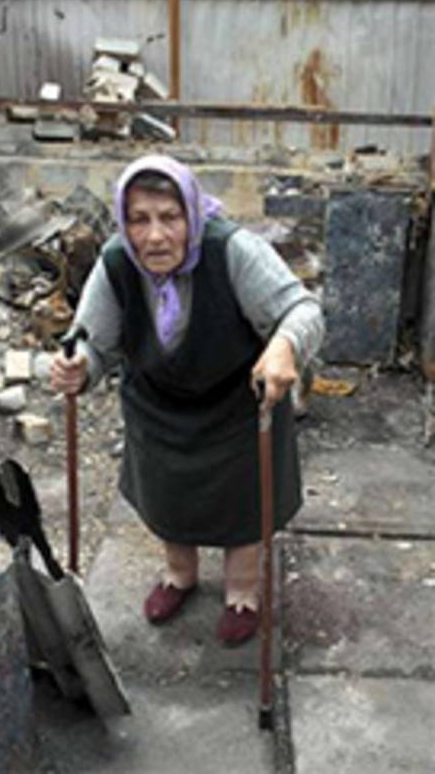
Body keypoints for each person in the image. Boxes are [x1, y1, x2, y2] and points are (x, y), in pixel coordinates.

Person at [50, 154, 323, 646]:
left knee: (243, 501)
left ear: (191, 215)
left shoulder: (233, 250)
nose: (154, 236)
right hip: (159, 407)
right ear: (123, 222)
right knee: (167, 494)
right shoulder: (117, 262)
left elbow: (301, 309)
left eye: (169, 218)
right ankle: (180, 574)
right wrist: (80, 366)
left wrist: (284, 347)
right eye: (139, 220)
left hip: (240, 402)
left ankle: (242, 589)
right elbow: (94, 341)